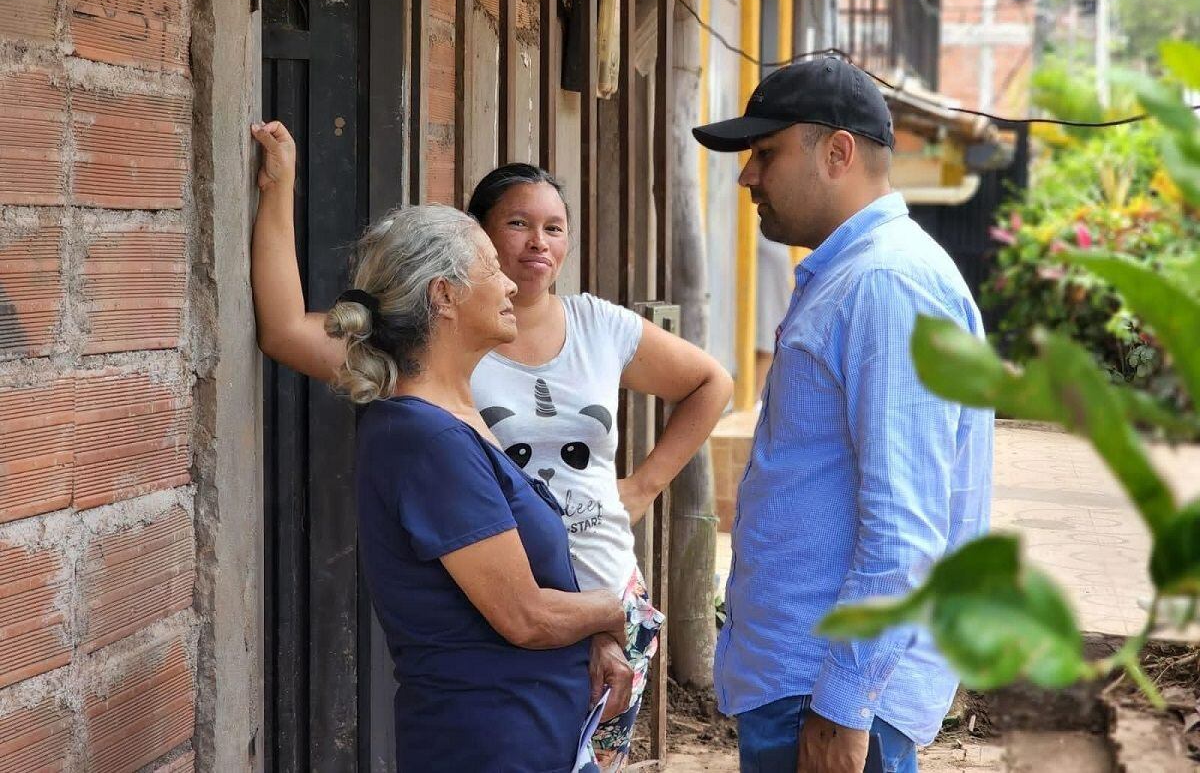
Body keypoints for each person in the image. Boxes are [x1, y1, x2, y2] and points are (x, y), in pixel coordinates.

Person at [252, 129, 733, 771]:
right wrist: (622, 614)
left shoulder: (539, 358)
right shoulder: (426, 426)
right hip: (509, 712)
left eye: (555, 227)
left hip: (573, 651)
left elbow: (710, 381)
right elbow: (524, 615)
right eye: (508, 235)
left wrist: (639, 492)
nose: (526, 259)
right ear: (444, 294)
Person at [692, 56, 993, 773]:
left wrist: (844, 705)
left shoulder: (886, 284)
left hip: (825, 696)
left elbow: (905, 522)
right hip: (807, 686)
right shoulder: (859, 274)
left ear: (837, 152)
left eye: (765, 153)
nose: (747, 176)